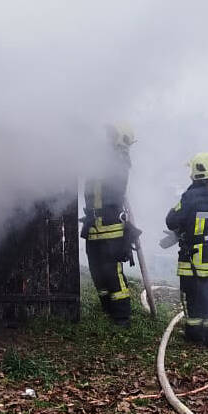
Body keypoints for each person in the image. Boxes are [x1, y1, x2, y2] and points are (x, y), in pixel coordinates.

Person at [165, 152, 208, 347]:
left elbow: (171, 220)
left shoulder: (191, 195)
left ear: (198, 170)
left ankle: (194, 334)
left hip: (192, 255)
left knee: (192, 294)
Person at [82, 123, 136, 327]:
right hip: (94, 226)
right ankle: (107, 308)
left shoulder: (119, 160)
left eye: (110, 135)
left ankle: (122, 317)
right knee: (97, 270)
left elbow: (110, 176)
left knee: (112, 272)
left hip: (111, 226)